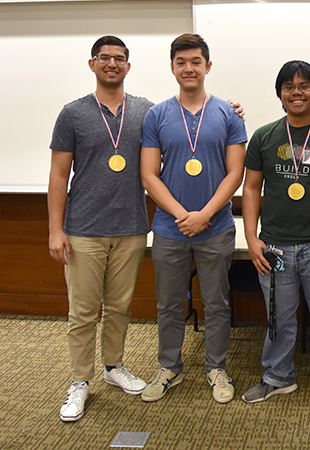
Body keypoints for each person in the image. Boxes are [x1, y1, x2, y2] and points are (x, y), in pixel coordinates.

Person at [140, 33, 247, 404]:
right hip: (170, 229)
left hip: (215, 227)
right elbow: (149, 174)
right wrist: (183, 214)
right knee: (169, 304)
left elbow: (236, 174)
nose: (189, 68)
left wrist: (204, 214)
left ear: (208, 66)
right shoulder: (157, 115)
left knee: (217, 303)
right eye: (181, 62)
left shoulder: (228, 114)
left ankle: (216, 367)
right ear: (172, 67)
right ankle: (169, 366)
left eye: (196, 61)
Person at [48, 35, 150, 422]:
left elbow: (184, 128)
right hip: (83, 229)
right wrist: (55, 230)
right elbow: (59, 174)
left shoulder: (145, 111)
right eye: (104, 58)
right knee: (83, 312)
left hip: (131, 227)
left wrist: (232, 110)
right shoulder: (72, 113)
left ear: (128, 65)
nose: (112, 64)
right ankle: (79, 381)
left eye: (119, 58)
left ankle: (114, 367)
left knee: (121, 307)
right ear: (92, 64)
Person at [240, 60, 310, 412]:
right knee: (279, 318)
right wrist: (251, 238)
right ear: (280, 94)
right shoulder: (264, 136)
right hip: (273, 245)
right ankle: (277, 377)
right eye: (289, 86)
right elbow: (252, 189)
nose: (297, 92)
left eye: (305, 86)